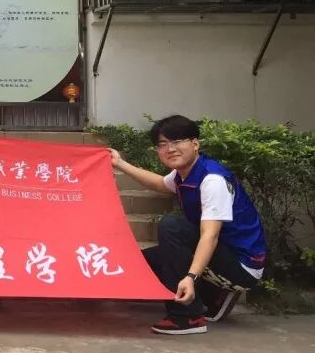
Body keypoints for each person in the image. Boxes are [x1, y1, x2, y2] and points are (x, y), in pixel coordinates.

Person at [112, 115, 268, 335]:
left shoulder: (212, 180)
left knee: (172, 226)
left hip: (242, 265)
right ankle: (211, 296)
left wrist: (190, 277)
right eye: (163, 144)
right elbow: (159, 183)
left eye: (177, 141)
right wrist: (120, 163)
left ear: (195, 144)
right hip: (223, 255)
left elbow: (210, 235)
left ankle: (187, 316)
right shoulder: (184, 174)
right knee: (143, 264)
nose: (170, 149)